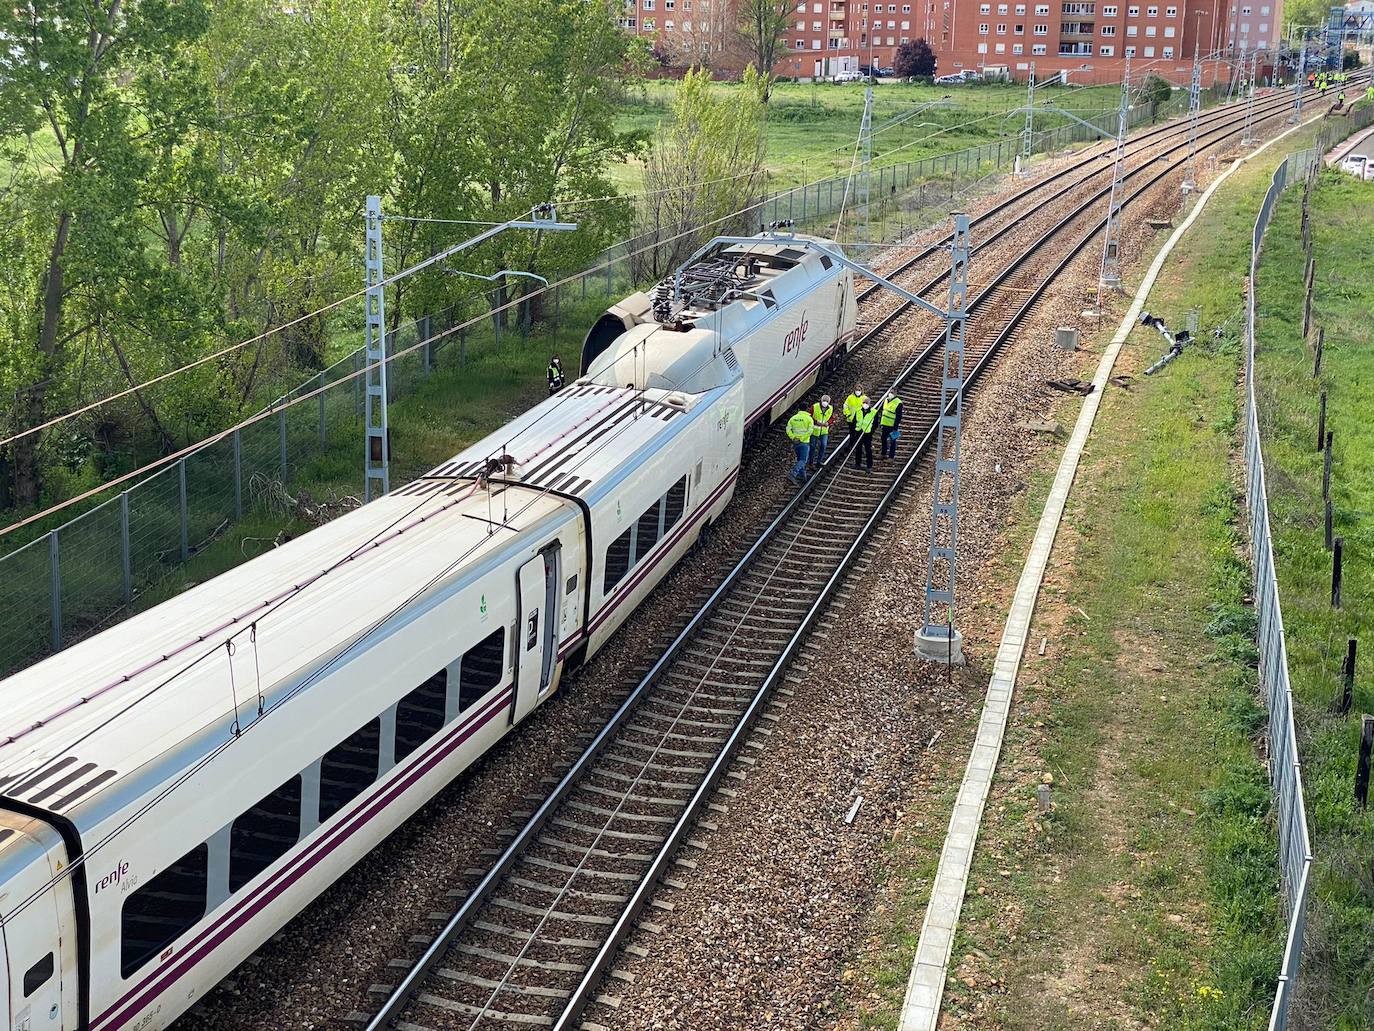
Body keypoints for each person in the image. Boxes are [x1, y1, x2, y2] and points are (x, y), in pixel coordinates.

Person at [786, 407, 815, 485]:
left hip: (796, 443)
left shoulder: (793, 418)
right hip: (804, 443)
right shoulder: (809, 419)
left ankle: (803, 477)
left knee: (800, 460)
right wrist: (802, 439)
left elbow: (788, 429)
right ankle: (793, 473)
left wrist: (793, 437)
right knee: (803, 460)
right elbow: (810, 431)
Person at [853, 399, 877, 474]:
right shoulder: (858, 411)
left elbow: (875, 424)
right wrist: (856, 429)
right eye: (864, 403)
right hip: (859, 432)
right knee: (858, 448)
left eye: (866, 403)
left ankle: (869, 466)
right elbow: (854, 421)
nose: (865, 404)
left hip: (867, 433)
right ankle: (857, 463)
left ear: (869, 404)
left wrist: (871, 432)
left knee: (868, 449)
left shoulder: (873, 412)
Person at [809, 394, 834, 469]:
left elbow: (832, 418)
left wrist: (828, 423)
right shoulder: (815, 407)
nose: (825, 402)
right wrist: (816, 422)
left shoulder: (830, 408)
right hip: (814, 431)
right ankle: (810, 463)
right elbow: (809, 416)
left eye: (827, 401)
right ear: (821, 400)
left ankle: (819, 462)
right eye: (824, 401)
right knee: (812, 446)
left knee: (823, 445)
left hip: (824, 431)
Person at [879, 391, 904, 459]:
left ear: (896, 393)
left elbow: (899, 416)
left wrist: (895, 427)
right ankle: (883, 453)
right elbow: (883, 411)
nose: (891, 394)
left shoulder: (898, 403)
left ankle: (891, 457)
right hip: (885, 424)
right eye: (890, 392)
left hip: (892, 426)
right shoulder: (886, 400)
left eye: (892, 392)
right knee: (883, 439)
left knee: (893, 441)